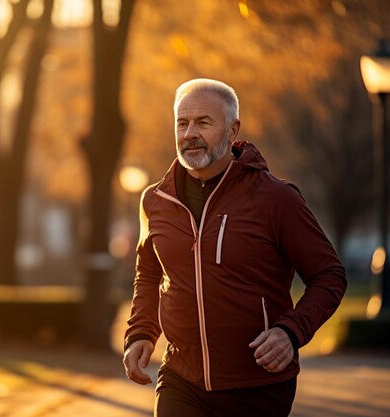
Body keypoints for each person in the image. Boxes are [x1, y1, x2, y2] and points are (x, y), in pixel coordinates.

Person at [122, 78, 346, 417]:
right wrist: (141, 331)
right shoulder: (155, 201)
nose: (189, 133)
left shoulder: (275, 198)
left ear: (232, 129)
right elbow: (150, 273)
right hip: (181, 379)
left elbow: (329, 276)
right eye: (182, 123)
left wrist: (291, 331)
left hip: (258, 386)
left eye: (203, 122)